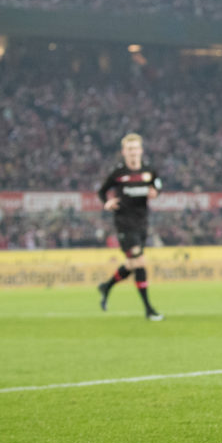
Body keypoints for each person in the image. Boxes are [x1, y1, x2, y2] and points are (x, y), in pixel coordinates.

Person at [96, 133, 164, 321]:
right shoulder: (119, 173)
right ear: (124, 152)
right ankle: (149, 310)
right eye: (130, 149)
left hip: (142, 223)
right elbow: (102, 191)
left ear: (141, 150)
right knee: (140, 262)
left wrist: (155, 192)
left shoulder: (149, 171)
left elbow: (158, 186)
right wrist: (107, 202)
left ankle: (107, 286)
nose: (133, 152)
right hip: (124, 223)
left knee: (132, 264)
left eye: (136, 148)